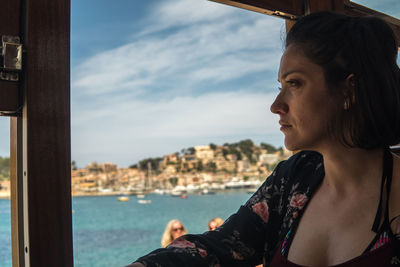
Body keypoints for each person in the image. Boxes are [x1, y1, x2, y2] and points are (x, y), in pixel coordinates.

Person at [126, 11, 400, 267]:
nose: (276, 105)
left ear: (348, 90)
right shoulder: (294, 178)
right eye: (280, 86)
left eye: (294, 83)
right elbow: (220, 245)